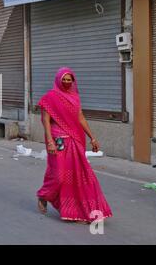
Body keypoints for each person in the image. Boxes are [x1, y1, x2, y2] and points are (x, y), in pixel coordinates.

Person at [36, 67, 112, 224]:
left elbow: (81, 118)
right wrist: (49, 141)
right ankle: (44, 195)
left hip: (76, 140)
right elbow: (46, 120)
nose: (66, 82)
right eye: (63, 79)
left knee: (80, 177)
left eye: (69, 79)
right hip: (58, 142)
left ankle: (78, 211)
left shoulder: (75, 98)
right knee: (59, 177)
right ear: (58, 80)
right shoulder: (50, 97)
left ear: (73, 81)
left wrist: (92, 138)